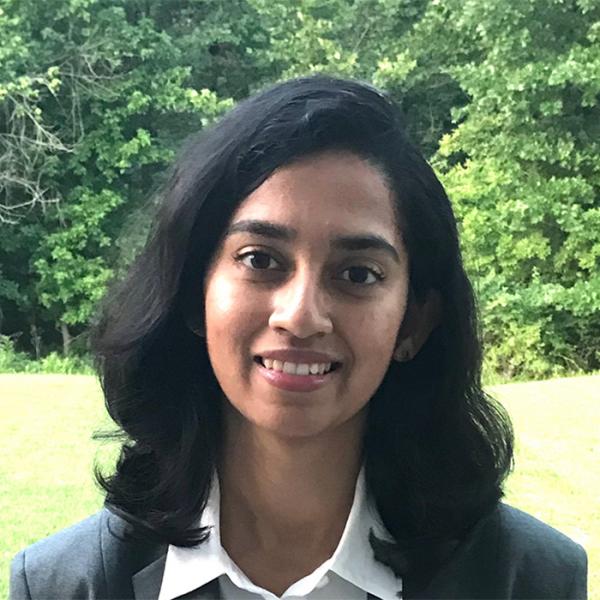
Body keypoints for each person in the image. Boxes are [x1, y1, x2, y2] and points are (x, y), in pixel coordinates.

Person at [10, 75, 587, 600]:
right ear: (192, 294)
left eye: (358, 273)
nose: (301, 315)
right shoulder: (64, 584)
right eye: (260, 259)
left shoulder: (531, 580)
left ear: (414, 322)